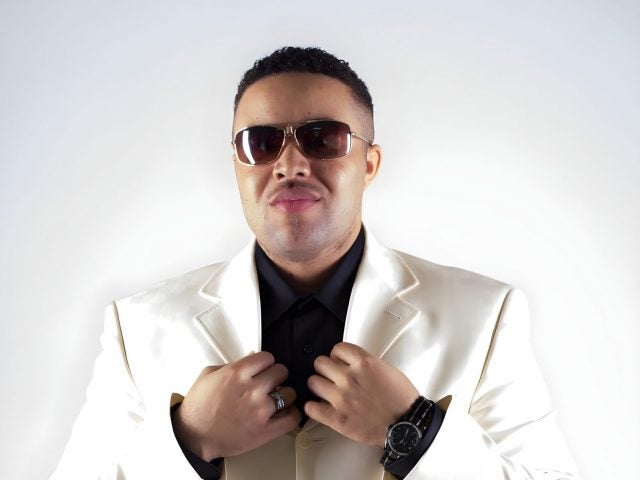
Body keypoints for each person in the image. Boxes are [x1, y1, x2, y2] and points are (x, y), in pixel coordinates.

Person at [50, 47, 580, 480]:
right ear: (237, 168)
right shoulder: (138, 326)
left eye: (322, 139)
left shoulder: (485, 316)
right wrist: (188, 439)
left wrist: (417, 432)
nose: (289, 164)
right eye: (261, 143)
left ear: (368, 163)